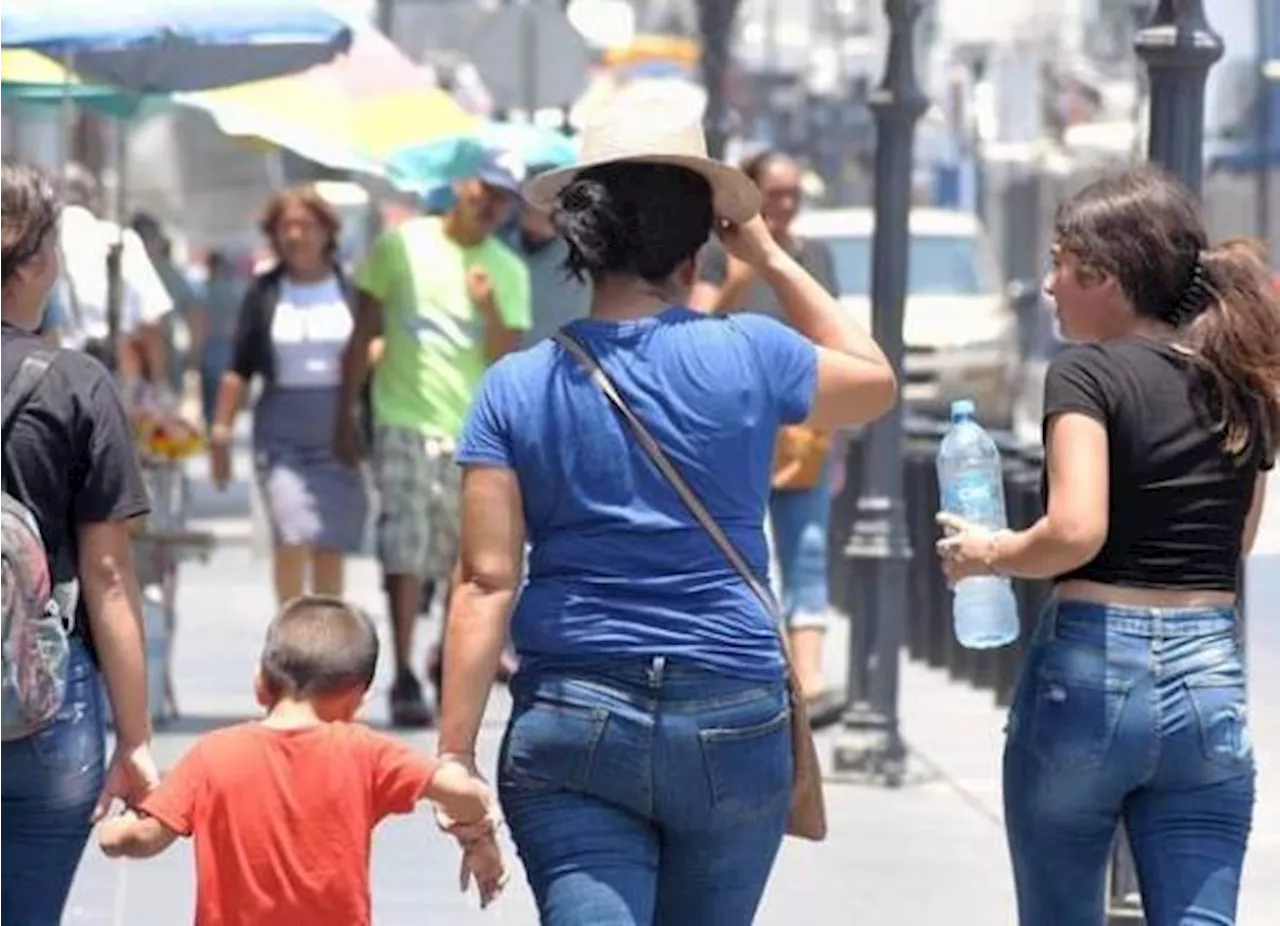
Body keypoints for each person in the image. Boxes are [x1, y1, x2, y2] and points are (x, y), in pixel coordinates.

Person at [435, 85, 897, 926]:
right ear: (697, 246)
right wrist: (769, 256)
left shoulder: (515, 387)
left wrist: (454, 752)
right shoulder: (751, 352)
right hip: (731, 706)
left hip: (575, 715)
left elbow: (483, 582)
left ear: (580, 243)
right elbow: (873, 382)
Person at [936, 166, 1277, 926]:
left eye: (1061, 262)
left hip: (1094, 669)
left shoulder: (1086, 373)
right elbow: (1240, 541)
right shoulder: (1240, 380)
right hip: (1208, 673)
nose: (1050, 284)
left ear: (1108, 274)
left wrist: (988, 553)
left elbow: (1076, 530)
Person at [97, 595, 507, 924]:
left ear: (261, 685)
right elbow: (463, 793)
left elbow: (139, 839)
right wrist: (477, 838)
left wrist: (115, 828)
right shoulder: (363, 751)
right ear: (356, 702)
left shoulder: (214, 754)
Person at [0, 157, 159, 924]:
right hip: (46, 707)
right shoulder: (74, 384)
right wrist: (135, 739)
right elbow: (109, 577)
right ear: (36, 262)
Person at [335, 150, 531, 728]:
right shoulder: (402, 247)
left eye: (503, 197)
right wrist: (344, 413)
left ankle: (449, 662)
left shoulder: (507, 269)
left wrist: (489, 305)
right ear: (461, 184)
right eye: (483, 189)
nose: (489, 204)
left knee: (460, 557)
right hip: (403, 419)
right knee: (403, 550)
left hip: (473, 433)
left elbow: (505, 357)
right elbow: (363, 330)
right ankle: (402, 670)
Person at [689, 149, 843, 723]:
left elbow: (831, 335)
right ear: (748, 194)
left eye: (793, 193)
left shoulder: (814, 255)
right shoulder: (709, 255)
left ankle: (810, 679)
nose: (785, 204)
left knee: (806, 549)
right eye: (774, 192)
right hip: (733, 428)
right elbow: (693, 327)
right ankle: (755, 666)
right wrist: (741, 276)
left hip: (800, 426)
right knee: (743, 550)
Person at [209, 187, 369, 604]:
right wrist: (221, 432)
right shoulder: (264, 292)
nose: (296, 235)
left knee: (330, 540)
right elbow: (239, 367)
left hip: (338, 430)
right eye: (286, 227)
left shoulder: (351, 289)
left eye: (306, 226)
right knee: (293, 531)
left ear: (326, 232)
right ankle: (292, 628)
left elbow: (375, 346)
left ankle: (331, 641)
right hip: (282, 430)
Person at [53, 163, 173, 387]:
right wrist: (158, 382)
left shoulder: (40, 242)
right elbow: (150, 322)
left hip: (51, 378)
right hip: (109, 376)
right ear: (94, 201)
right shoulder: (119, 239)